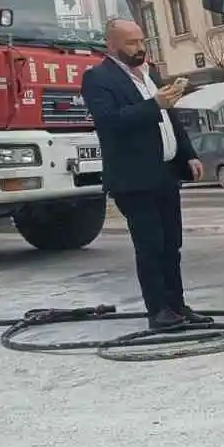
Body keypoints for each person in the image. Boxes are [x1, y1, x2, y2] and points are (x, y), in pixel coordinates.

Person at [81, 18, 205, 330]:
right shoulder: (98, 78)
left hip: (165, 172)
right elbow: (109, 121)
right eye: (131, 43)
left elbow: (170, 117)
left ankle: (177, 305)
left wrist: (188, 154)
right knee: (150, 245)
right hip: (133, 178)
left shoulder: (150, 73)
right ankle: (159, 311)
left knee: (171, 244)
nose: (139, 48)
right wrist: (154, 104)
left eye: (142, 41)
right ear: (112, 45)